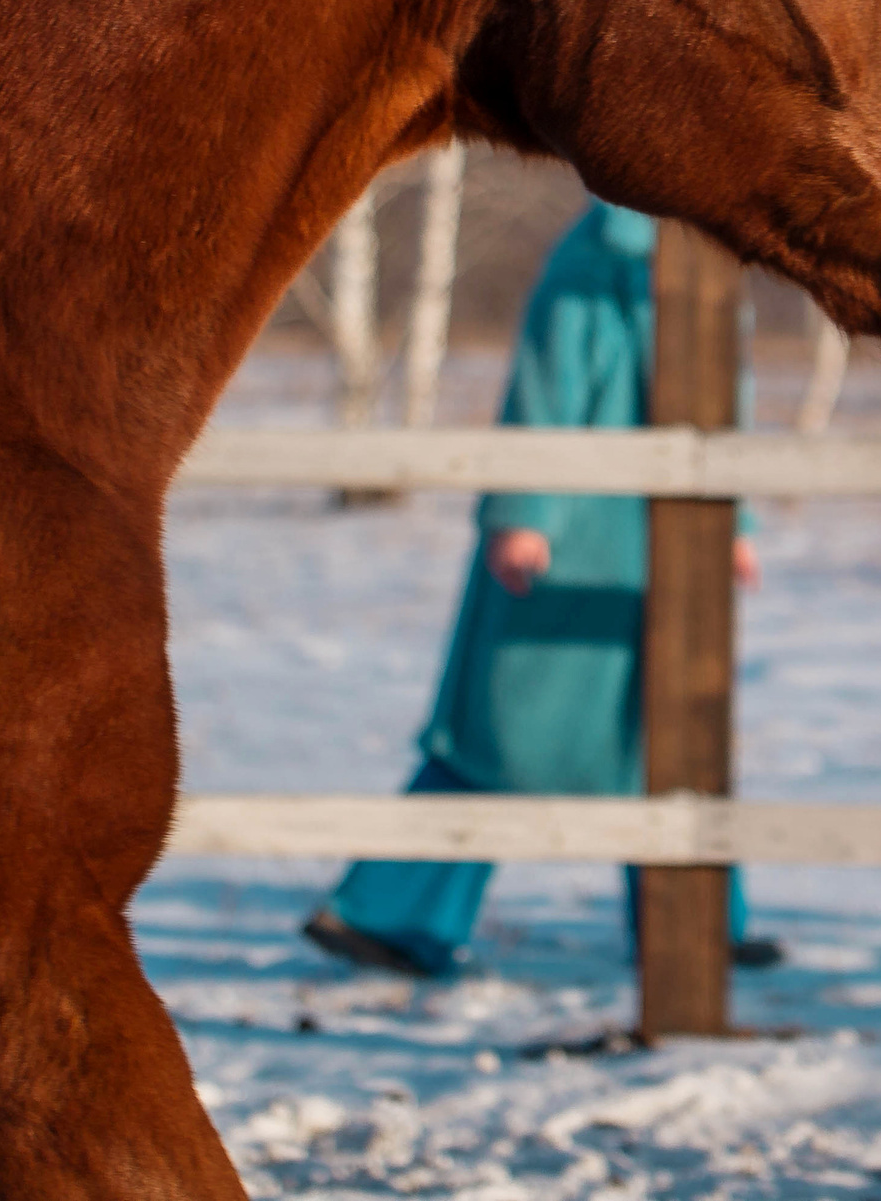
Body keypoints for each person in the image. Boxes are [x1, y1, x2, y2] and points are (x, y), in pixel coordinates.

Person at [302, 200, 782, 979]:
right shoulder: (601, 254)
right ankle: (388, 913)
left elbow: (726, 397)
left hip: (668, 537)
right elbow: (547, 385)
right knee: (501, 728)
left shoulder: (704, 250)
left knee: (668, 728)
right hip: (577, 536)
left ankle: (697, 927)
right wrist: (525, 511)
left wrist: (735, 518)